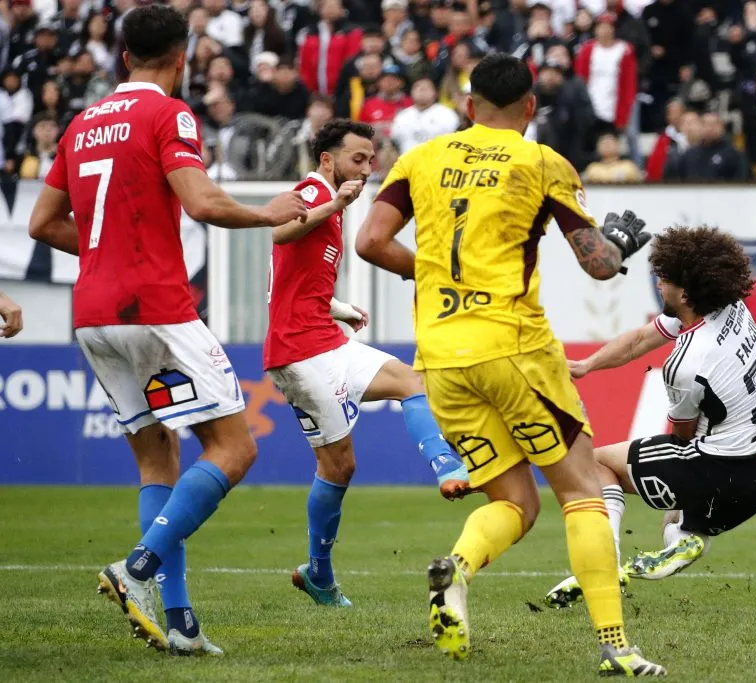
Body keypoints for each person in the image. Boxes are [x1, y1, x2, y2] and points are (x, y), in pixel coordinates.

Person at [356, 52, 665, 677]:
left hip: (440, 357)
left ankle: (458, 570)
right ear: (531, 108)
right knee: (582, 490)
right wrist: (622, 242)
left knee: (515, 502)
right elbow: (600, 264)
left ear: (468, 106)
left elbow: (368, 241)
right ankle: (615, 646)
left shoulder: (421, 158)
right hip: (514, 349)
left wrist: (438, 273)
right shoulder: (541, 161)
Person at [26, 4, 307, 656]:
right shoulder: (168, 113)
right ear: (180, 59)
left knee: (158, 458)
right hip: (155, 306)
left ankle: (177, 621)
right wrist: (270, 213)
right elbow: (203, 201)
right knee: (235, 450)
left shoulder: (82, 121)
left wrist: (102, 254)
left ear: (122, 56)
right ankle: (138, 567)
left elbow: (41, 223)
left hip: (93, 315)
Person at [263, 118, 471, 607]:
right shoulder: (312, 193)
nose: (366, 168)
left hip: (320, 337)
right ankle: (319, 573)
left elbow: (289, 282)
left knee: (408, 385)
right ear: (328, 159)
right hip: (298, 352)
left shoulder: (331, 207)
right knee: (338, 466)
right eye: (357, 159)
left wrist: (340, 308)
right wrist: (333, 203)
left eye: (370, 160)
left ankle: (445, 467)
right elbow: (276, 233)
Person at [544, 227, 756, 606]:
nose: (657, 283)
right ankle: (685, 538)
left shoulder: (686, 362)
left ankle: (602, 563)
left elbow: (681, 437)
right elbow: (639, 339)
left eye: (663, 278)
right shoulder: (731, 308)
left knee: (599, 462)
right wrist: (586, 365)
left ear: (684, 293)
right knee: (674, 518)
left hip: (720, 470)